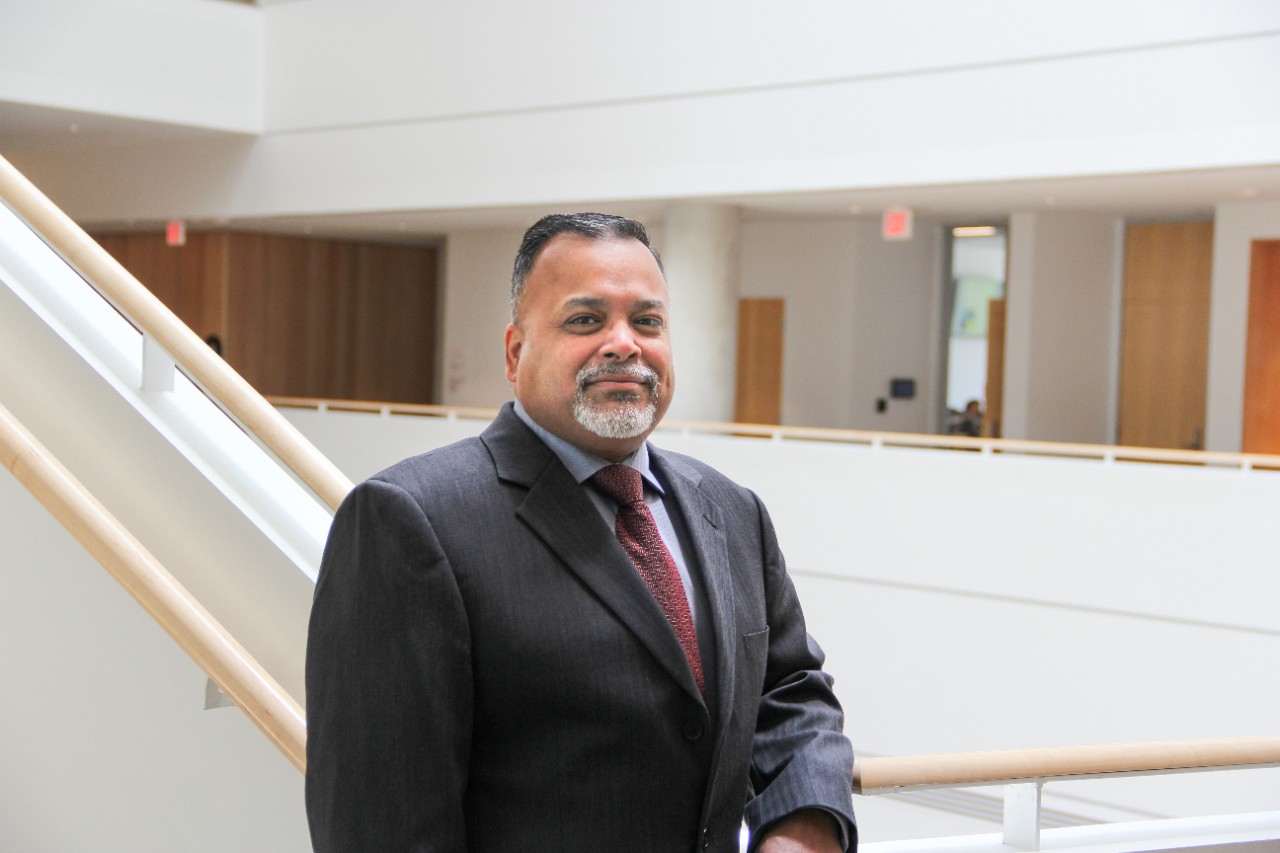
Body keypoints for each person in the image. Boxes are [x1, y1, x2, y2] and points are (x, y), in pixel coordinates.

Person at [305, 213, 857, 852]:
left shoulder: (731, 511)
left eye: (646, 321)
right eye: (585, 320)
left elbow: (791, 694)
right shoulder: (408, 521)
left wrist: (804, 826)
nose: (624, 343)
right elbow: (383, 827)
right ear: (516, 353)